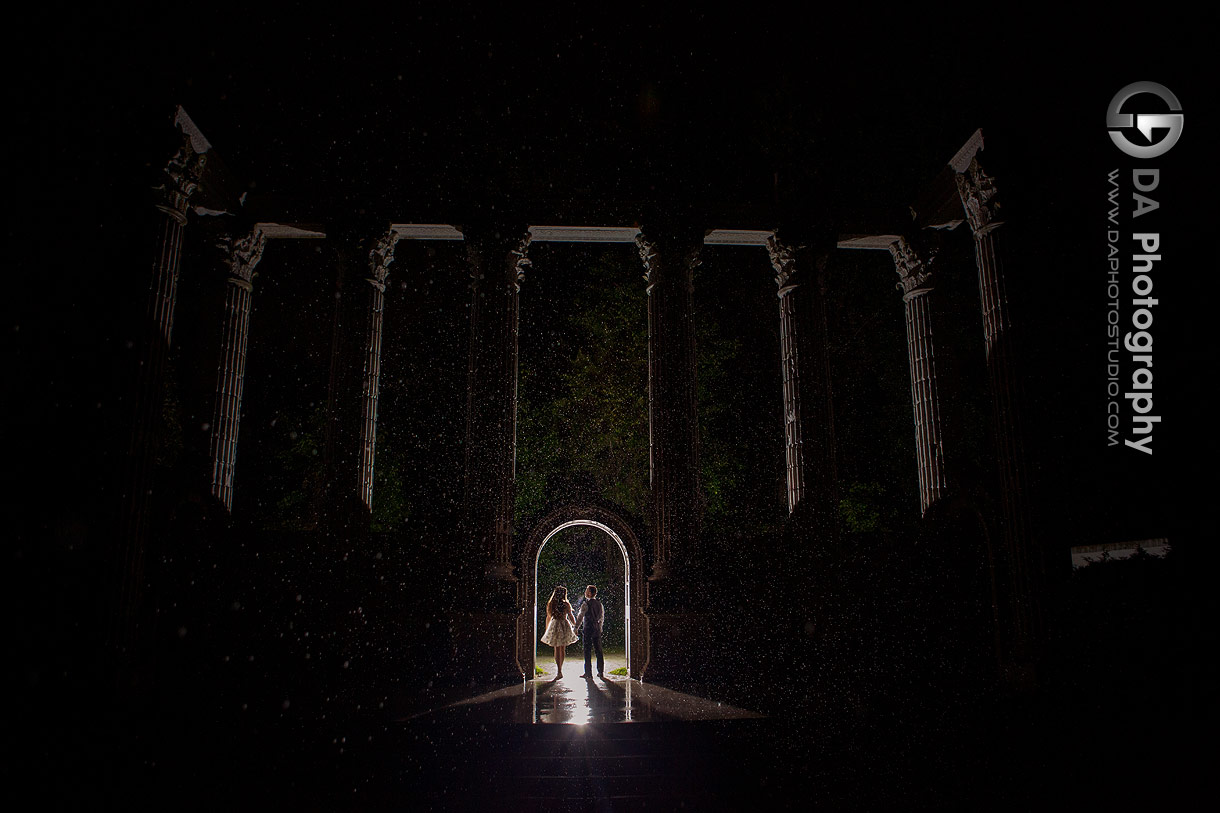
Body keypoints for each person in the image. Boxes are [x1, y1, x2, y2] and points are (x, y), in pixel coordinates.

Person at [539, 585, 578, 679]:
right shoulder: (566, 604)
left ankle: (559, 670)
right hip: (564, 624)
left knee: (557, 648)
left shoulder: (552, 603)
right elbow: (570, 615)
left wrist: (547, 628)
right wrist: (575, 626)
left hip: (555, 624)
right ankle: (560, 670)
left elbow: (548, 617)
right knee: (562, 648)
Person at [573, 584, 605, 679]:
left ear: (590, 593)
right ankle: (600, 671)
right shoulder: (600, 604)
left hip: (588, 629)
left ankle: (588, 673)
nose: (585, 592)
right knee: (598, 650)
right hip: (596, 629)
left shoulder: (585, 604)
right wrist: (600, 628)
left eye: (587, 591)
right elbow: (601, 618)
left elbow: (580, 617)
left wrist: (575, 628)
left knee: (587, 651)